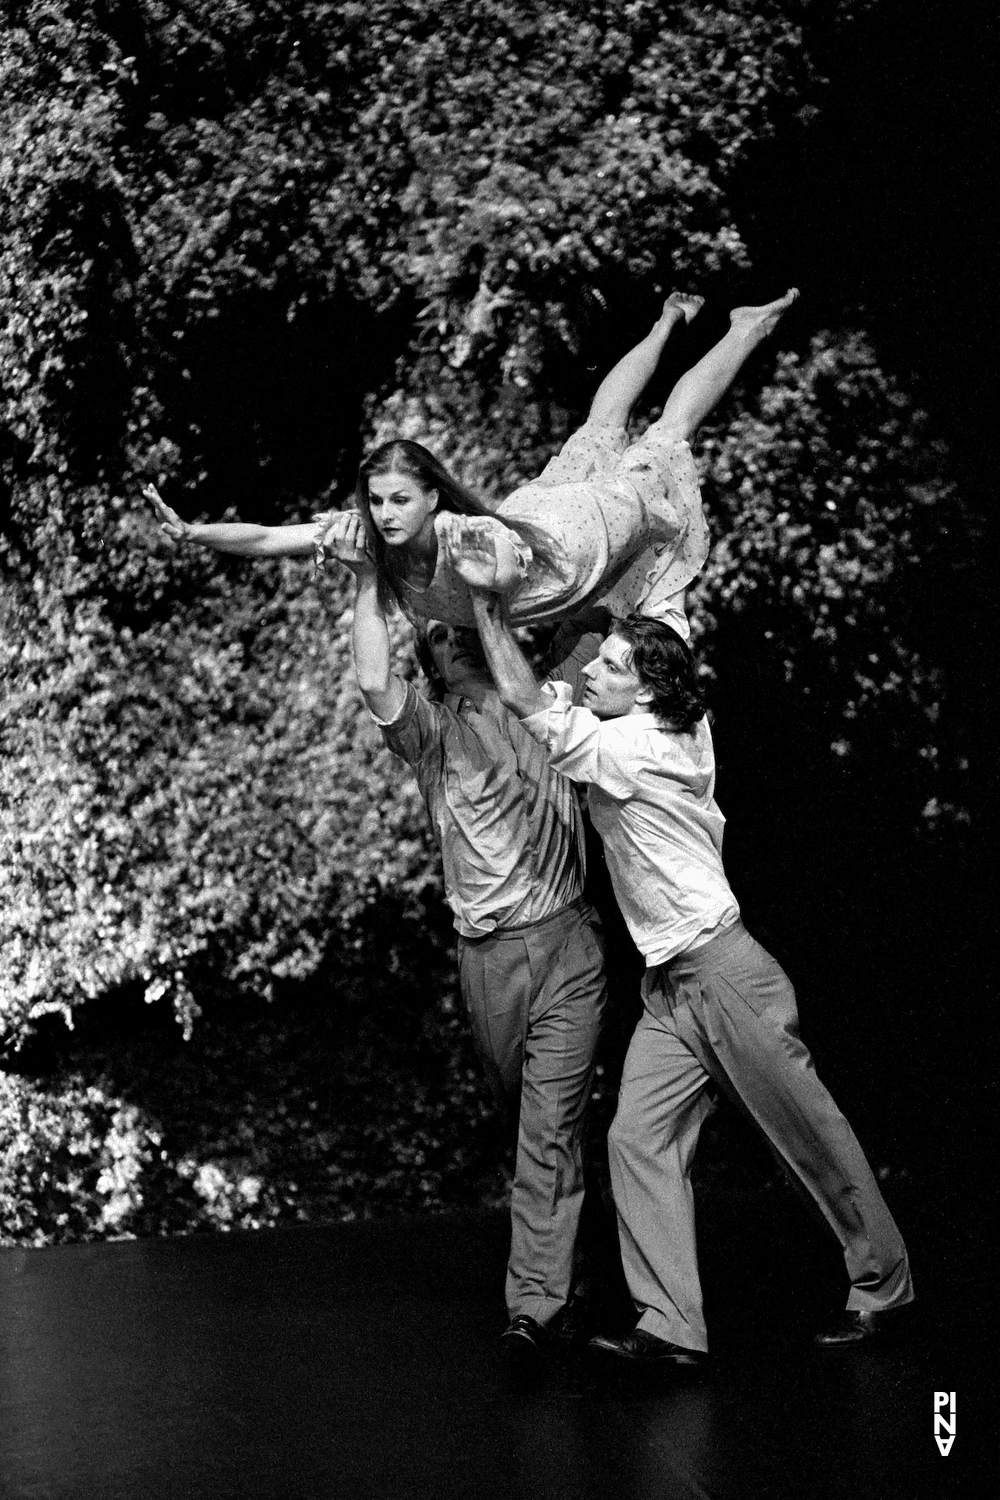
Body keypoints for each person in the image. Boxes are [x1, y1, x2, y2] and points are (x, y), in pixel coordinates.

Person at [455, 576, 914, 1367]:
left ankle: (885, 1288)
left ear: (645, 690)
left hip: (725, 973)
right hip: (670, 988)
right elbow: (663, 605)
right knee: (637, 1138)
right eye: (596, 661)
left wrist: (488, 612)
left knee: (807, 1136)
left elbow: (539, 714)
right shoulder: (674, 712)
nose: (593, 669)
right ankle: (671, 1324)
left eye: (611, 666)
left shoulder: (637, 745)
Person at [321, 510, 607, 1366]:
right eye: (440, 635)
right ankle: (569, 1264)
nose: (455, 638)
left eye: (464, 628)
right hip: (484, 957)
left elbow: (603, 601)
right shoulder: (434, 733)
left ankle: (533, 1310)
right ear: (434, 663)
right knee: (528, 1123)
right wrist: (367, 579)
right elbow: (374, 683)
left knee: (549, 1128)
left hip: (563, 942)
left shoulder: (549, 699)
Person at [144, 289, 798, 639]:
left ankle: (744, 327)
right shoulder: (377, 540)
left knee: (664, 437)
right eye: (375, 502)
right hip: (538, 516)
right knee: (599, 429)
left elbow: (506, 586)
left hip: (580, 540)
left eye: (399, 500)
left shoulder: (474, 542)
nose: (384, 515)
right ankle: (665, 322)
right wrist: (192, 533)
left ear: (433, 497)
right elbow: (265, 537)